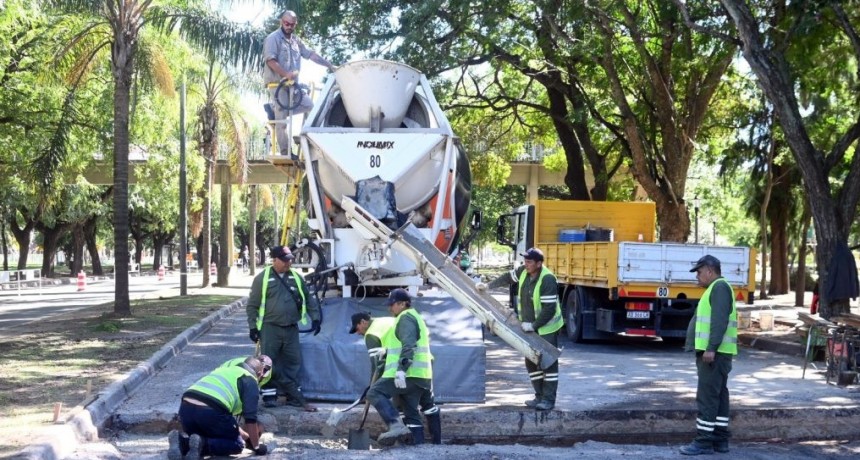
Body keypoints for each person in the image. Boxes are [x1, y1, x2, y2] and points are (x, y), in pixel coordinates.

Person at [485, 247, 563, 411]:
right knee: (531, 362)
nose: (525, 264)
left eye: (529, 262)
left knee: (548, 364)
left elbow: (549, 309)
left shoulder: (547, 279)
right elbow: (508, 277)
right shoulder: (523, 271)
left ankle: (548, 400)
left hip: (546, 329)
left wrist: (534, 325)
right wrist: (488, 286)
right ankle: (539, 396)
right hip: (528, 327)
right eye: (525, 261)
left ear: (539, 263)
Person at [246, 245, 321, 411]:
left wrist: (315, 318)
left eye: (290, 260)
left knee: (293, 362)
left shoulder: (296, 277)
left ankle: (292, 396)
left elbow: (308, 299)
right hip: (270, 328)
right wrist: (253, 327)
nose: (289, 263)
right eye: (285, 260)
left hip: (291, 329)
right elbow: (252, 305)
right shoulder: (262, 279)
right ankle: (269, 395)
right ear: (275, 260)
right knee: (267, 362)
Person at [350, 310, 443, 444]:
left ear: (363, 322)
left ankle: (398, 429)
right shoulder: (390, 320)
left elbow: (377, 365)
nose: (358, 333)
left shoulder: (371, 333)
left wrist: (373, 387)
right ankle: (435, 444)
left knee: (388, 399)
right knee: (427, 405)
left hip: (403, 369)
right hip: (424, 365)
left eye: (357, 328)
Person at [680, 255, 737, 455]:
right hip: (719, 353)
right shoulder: (718, 288)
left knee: (707, 397)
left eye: (699, 271)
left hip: (714, 354)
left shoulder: (719, 288)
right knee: (719, 396)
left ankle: (703, 442)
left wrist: (711, 347)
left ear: (710, 271)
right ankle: (720, 440)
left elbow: (719, 321)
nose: (697, 276)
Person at [263, 10, 336, 156]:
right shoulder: (273, 38)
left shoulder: (296, 41)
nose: (289, 26)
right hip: (278, 85)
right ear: (281, 22)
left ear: (295, 24)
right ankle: (285, 151)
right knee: (281, 122)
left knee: (310, 106)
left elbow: (311, 55)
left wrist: (329, 65)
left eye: (292, 24)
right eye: (286, 23)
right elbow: (270, 60)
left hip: (293, 86)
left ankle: (308, 141)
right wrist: (286, 74)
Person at [167, 356, 269, 460]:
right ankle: (200, 444)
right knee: (236, 444)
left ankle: (181, 441)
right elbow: (250, 419)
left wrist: (247, 437)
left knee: (201, 436)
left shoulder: (224, 370)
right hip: (210, 411)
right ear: (260, 373)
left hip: (186, 409)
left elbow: (227, 423)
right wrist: (256, 446)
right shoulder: (249, 380)